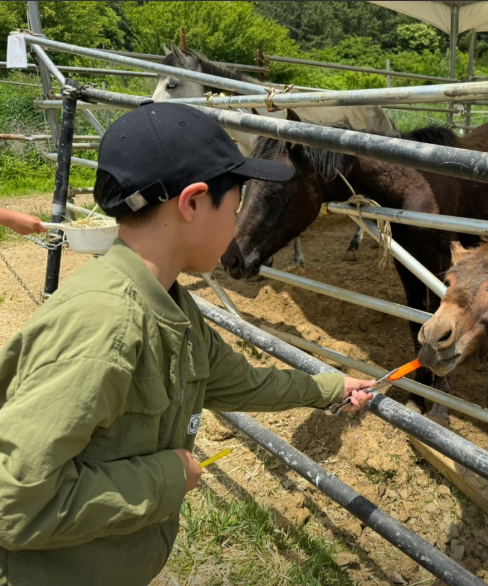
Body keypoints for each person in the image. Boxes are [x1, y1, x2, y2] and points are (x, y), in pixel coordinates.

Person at [0, 102, 375, 586]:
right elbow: (14, 502)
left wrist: (329, 387)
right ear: (193, 202)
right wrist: (166, 478)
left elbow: (240, 383)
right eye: (237, 203)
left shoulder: (172, 306)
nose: (239, 222)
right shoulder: (105, 327)